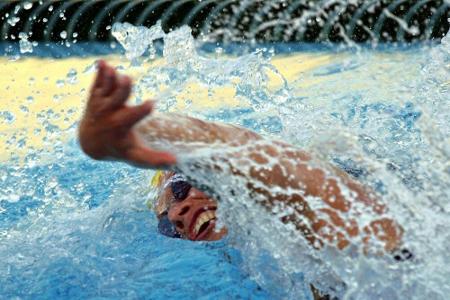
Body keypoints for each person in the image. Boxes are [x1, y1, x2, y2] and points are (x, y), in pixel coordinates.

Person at [79, 60, 408, 296]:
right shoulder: (279, 257)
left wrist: (122, 137)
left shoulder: (353, 217)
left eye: (180, 189)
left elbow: (239, 148)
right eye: (168, 226)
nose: (177, 217)